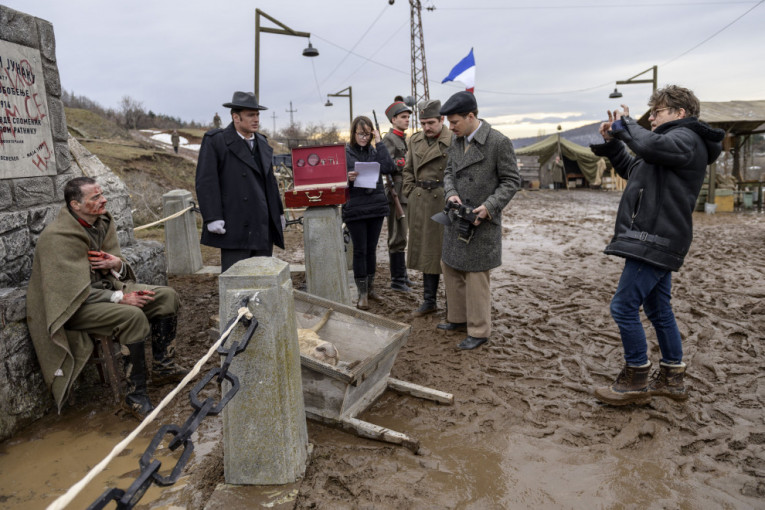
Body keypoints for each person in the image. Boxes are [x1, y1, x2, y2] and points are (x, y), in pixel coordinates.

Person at [589, 85, 724, 405]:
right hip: (657, 237)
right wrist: (614, 143)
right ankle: (672, 377)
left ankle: (636, 377)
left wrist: (626, 125)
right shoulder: (670, 145)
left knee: (623, 307)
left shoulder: (686, 138)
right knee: (658, 309)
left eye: (657, 112)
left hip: (655, 238)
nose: (650, 118)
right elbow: (634, 168)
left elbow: (648, 145)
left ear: (680, 113)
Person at [26, 177, 184, 420]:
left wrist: (117, 264)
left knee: (165, 296)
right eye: (96, 197)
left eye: (102, 194)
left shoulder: (101, 223)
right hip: (74, 307)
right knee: (132, 316)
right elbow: (68, 293)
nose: (104, 200)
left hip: (104, 293)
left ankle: (164, 368)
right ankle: (135, 398)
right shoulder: (57, 237)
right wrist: (119, 297)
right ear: (75, 205)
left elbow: (117, 271)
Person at [438, 91, 521, 350]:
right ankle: (458, 318)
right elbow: (449, 172)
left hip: (481, 221)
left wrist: (489, 207)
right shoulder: (457, 140)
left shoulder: (498, 142)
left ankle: (479, 330)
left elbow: (511, 181)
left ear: (471, 116)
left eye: (454, 122)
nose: (451, 127)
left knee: (475, 276)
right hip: (457, 217)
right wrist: (451, 193)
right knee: (451, 267)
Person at [195, 91, 285, 272]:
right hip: (235, 224)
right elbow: (206, 181)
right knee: (235, 278)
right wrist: (212, 217)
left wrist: (278, 213)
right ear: (236, 117)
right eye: (250, 115)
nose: (256, 119)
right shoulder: (216, 141)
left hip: (262, 224)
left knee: (263, 277)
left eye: (257, 114)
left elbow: (270, 183)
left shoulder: (262, 142)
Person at [401, 99, 452, 316]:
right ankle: (429, 301)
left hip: (444, 202)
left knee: (447, 253)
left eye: (431, 123)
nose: (426, 128)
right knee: (426, 253)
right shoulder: (415, 140)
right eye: (423, 123)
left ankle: (453, 305)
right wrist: (410, 192)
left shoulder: (454, 140)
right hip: (421, 201)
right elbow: (408, 169)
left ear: (442, 119)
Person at [343, 115, 395, 310]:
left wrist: (379, 142)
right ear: (353, 133)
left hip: (375, 207)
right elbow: (336, 178)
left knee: (372, 249)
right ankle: (362, 293)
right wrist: (347, 177)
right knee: (360, 250)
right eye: (360, 134)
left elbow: (389, 167)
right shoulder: (346, 153)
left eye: (367, 134)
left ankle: (371, 289)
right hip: (355, 207)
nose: (364, 138)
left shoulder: (375, 151)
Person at [382, 98, 413, 292]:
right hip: (396, 192)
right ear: (393, 120)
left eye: (408, 116)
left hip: (404, 192)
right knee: (397, 236)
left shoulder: (401, 138)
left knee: (403, 235)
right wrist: (404, 163)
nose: (407, 119)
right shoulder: (389, 139)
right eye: (403, 117)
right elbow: (387, 164)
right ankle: (397, 280)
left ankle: (403, 276)